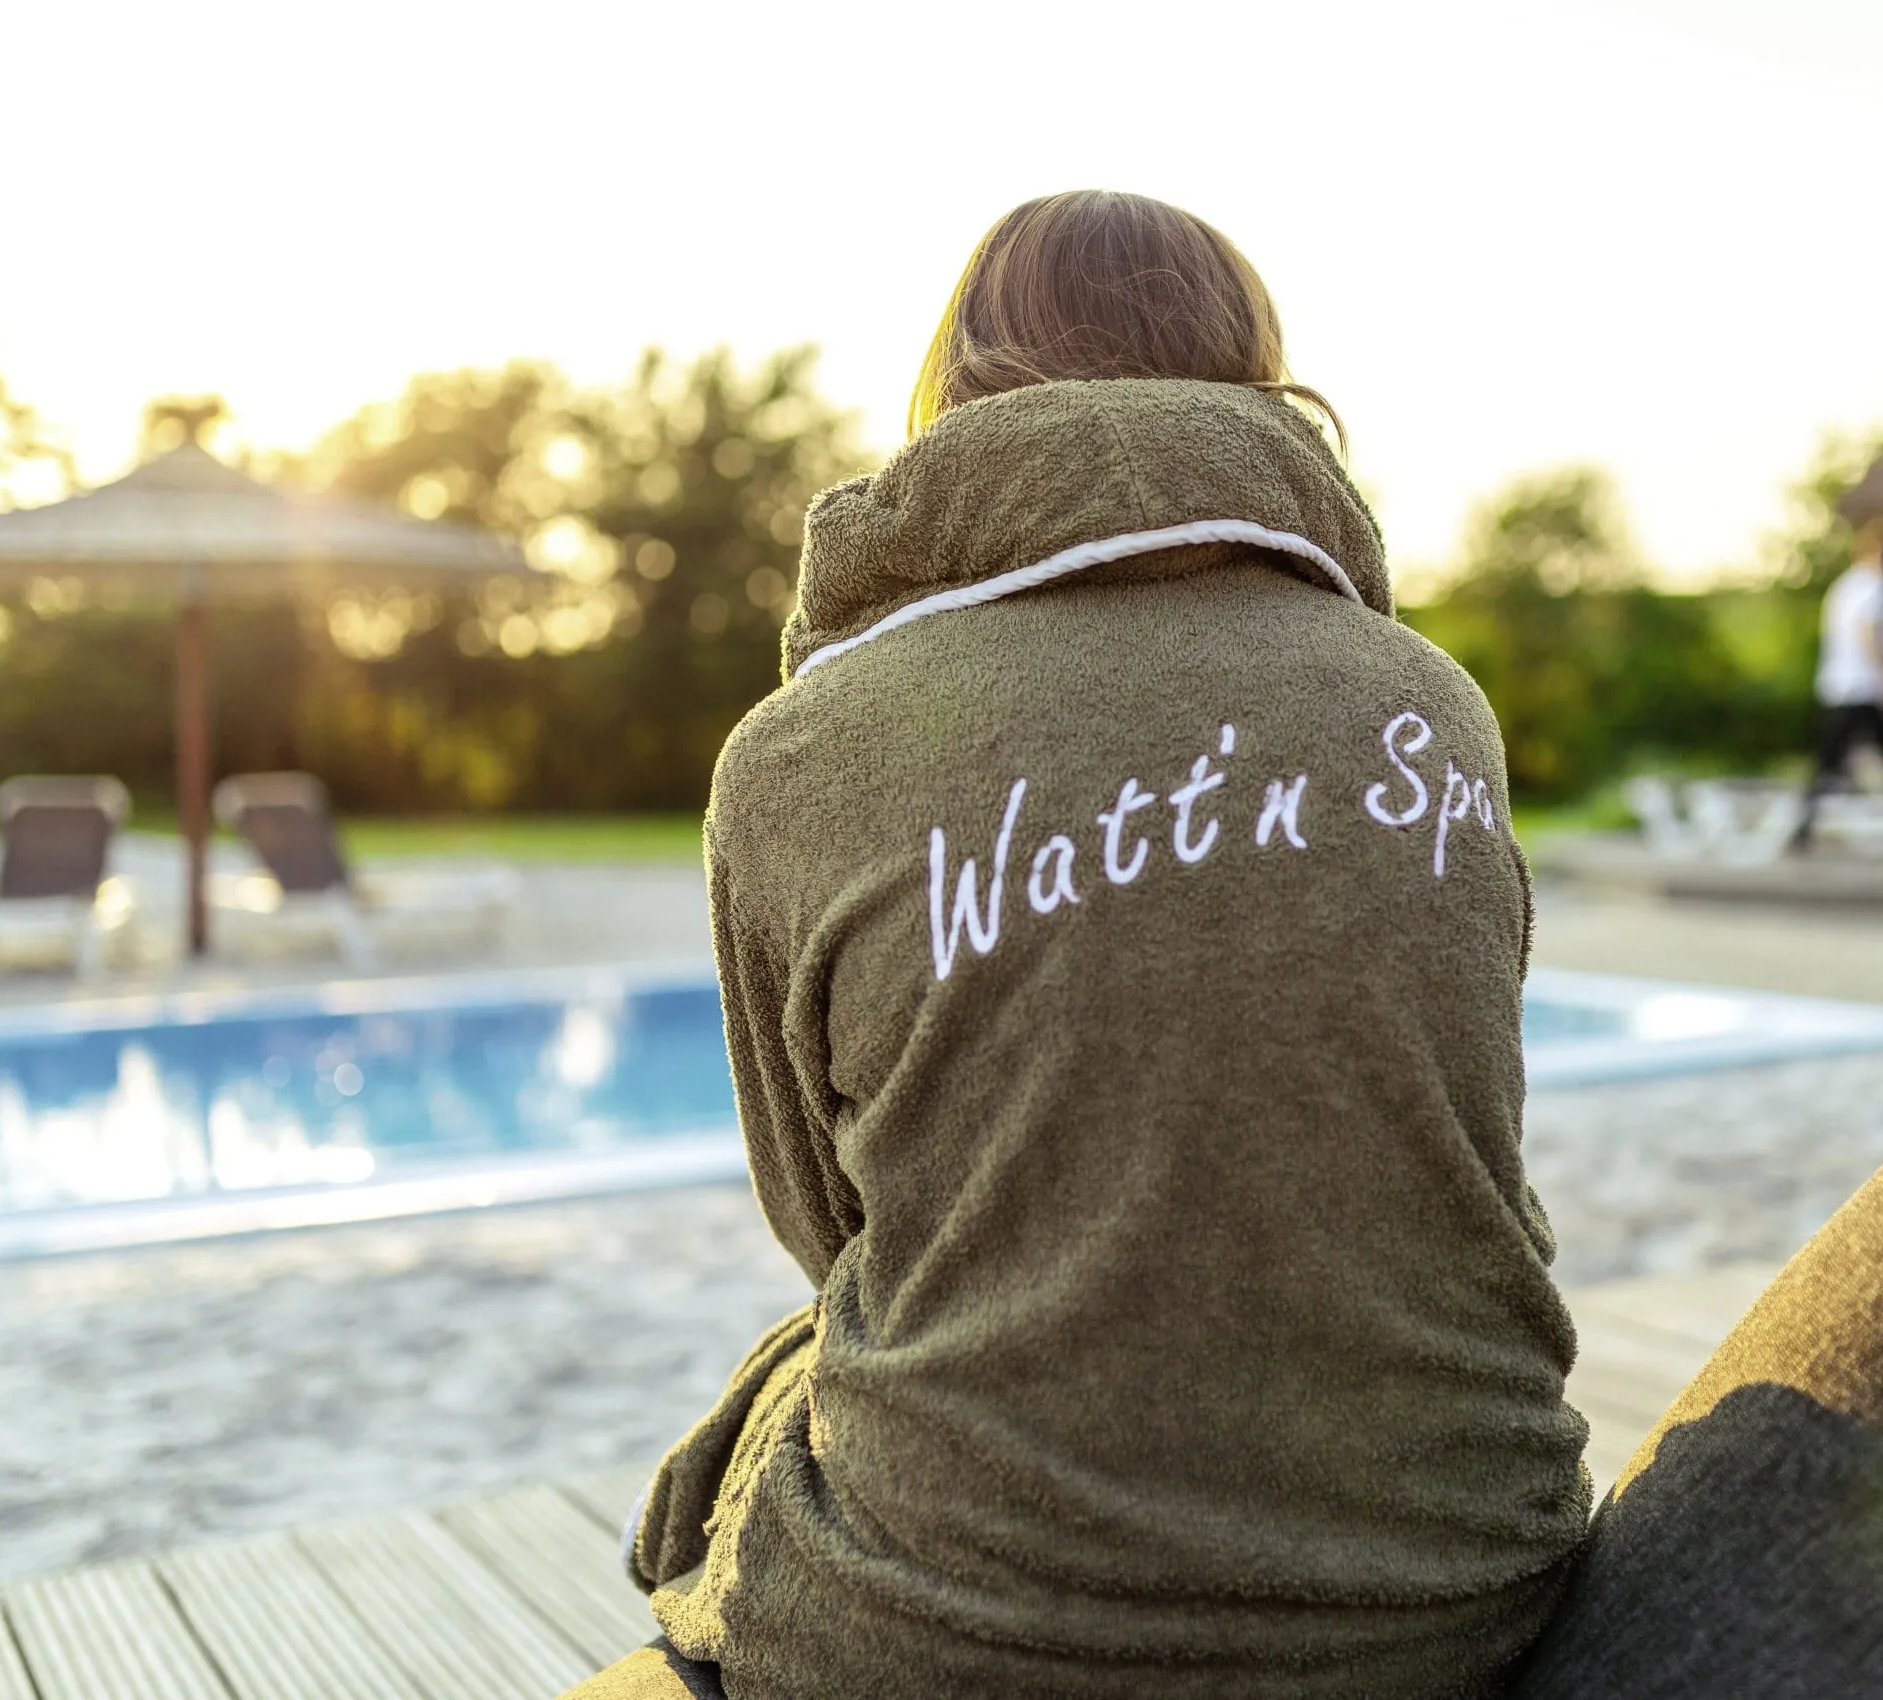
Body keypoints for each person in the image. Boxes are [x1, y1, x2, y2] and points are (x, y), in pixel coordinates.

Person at [574, 191, 1588, 1700]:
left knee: (776, 1407)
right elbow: (1449, 1121)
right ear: (1256, 376)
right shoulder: (1425, 703)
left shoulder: (796, 756)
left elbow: (829, 1222)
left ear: (954, 384)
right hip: (1457, 1573)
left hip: (960, 1624)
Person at [1790, 538, 1883, 853]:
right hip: (1860, 690)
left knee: (1833, 765)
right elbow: (1868, 638)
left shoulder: (1847, 584)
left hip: (1839, 688)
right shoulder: (1874, 588)